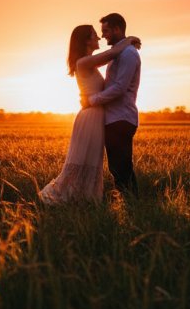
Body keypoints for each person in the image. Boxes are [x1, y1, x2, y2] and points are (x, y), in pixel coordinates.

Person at [39, 25, 140, 204]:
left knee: (91, 160)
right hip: (90, 117)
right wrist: (129, 39)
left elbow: (113, 54)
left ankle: (85, 198)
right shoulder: (83, 62)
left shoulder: (88, 61)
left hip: (95, 116)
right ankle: (67, 196)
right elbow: (113, 53)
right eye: (95, 35)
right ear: (86, 40)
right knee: (82, 160)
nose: (99, 38)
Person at [82, 13, 141, 197]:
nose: (103, 35)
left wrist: (92, 100)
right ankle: (132, 203)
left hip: (121, 118)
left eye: (106, 30)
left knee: (120, 167)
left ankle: (130, 203)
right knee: (120, 167)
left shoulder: (128, 53)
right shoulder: (120, 52)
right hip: (114, 118)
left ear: (117, 29)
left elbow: (119, 88)